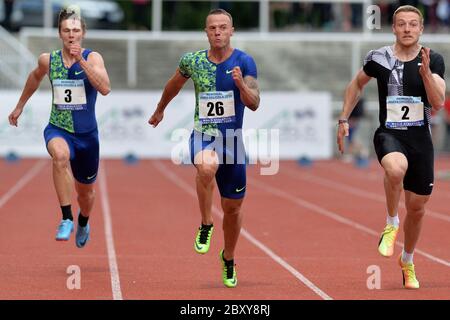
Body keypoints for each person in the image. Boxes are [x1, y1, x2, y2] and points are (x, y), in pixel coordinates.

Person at [148, 8, 260, 288]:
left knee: (233, 209)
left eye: (223, 27)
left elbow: (255, 102)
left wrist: (240, 85)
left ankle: (229, 257)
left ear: (232, 31)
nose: (218, 32)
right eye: (213, 28)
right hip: (204, 135)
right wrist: (160, 109)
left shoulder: (244, 62)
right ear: (206, 32)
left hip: (232, 141)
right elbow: (174, 84)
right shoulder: (193, 61)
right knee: (206, 166)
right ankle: (206, 223)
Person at [337, 5, 445, 289]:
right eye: (401, 24)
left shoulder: (433, 59)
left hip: (420, 139)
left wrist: (425, 75)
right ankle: (391, 222)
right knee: (395, 169)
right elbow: (355, 85)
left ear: (421, 29)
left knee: (418, 207)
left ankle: (407, 260)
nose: (407, 29)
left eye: (413, 24)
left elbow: (437, 103)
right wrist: (343, 118)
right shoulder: (379, 58)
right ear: (394, 28)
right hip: (389, 133)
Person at [8, 6, 111, 248]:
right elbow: (34, 77)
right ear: (60, 33)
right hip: (58, 128)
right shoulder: (48, 60)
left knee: (85, 195)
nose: (71, 35)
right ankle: (66, 218)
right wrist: (20, 105)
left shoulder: (93, 58)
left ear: (82, 33)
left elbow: (105, 88)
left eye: (75, 30)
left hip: (87, 137)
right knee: (60, 156)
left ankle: (83, 220)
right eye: (66, 30)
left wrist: (81, 62)